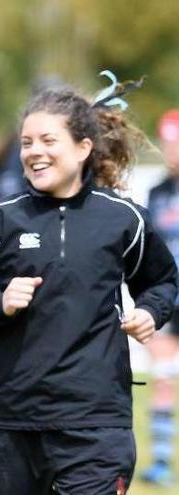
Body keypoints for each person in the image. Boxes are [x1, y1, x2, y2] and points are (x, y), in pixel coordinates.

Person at [0, 83, 178, 493]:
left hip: (96, 428)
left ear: (83, 148)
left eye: (48, 140)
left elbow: (163, 281)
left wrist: (151, 311)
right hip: (7, 427)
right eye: (27, 142)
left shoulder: (124, 219)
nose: (34, 151)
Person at [140, 108, 179, 487]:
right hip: (170, 297)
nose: (171, 150)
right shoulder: (157, 192)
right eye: (167, 142)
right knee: (164, 376)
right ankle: (163, 463)